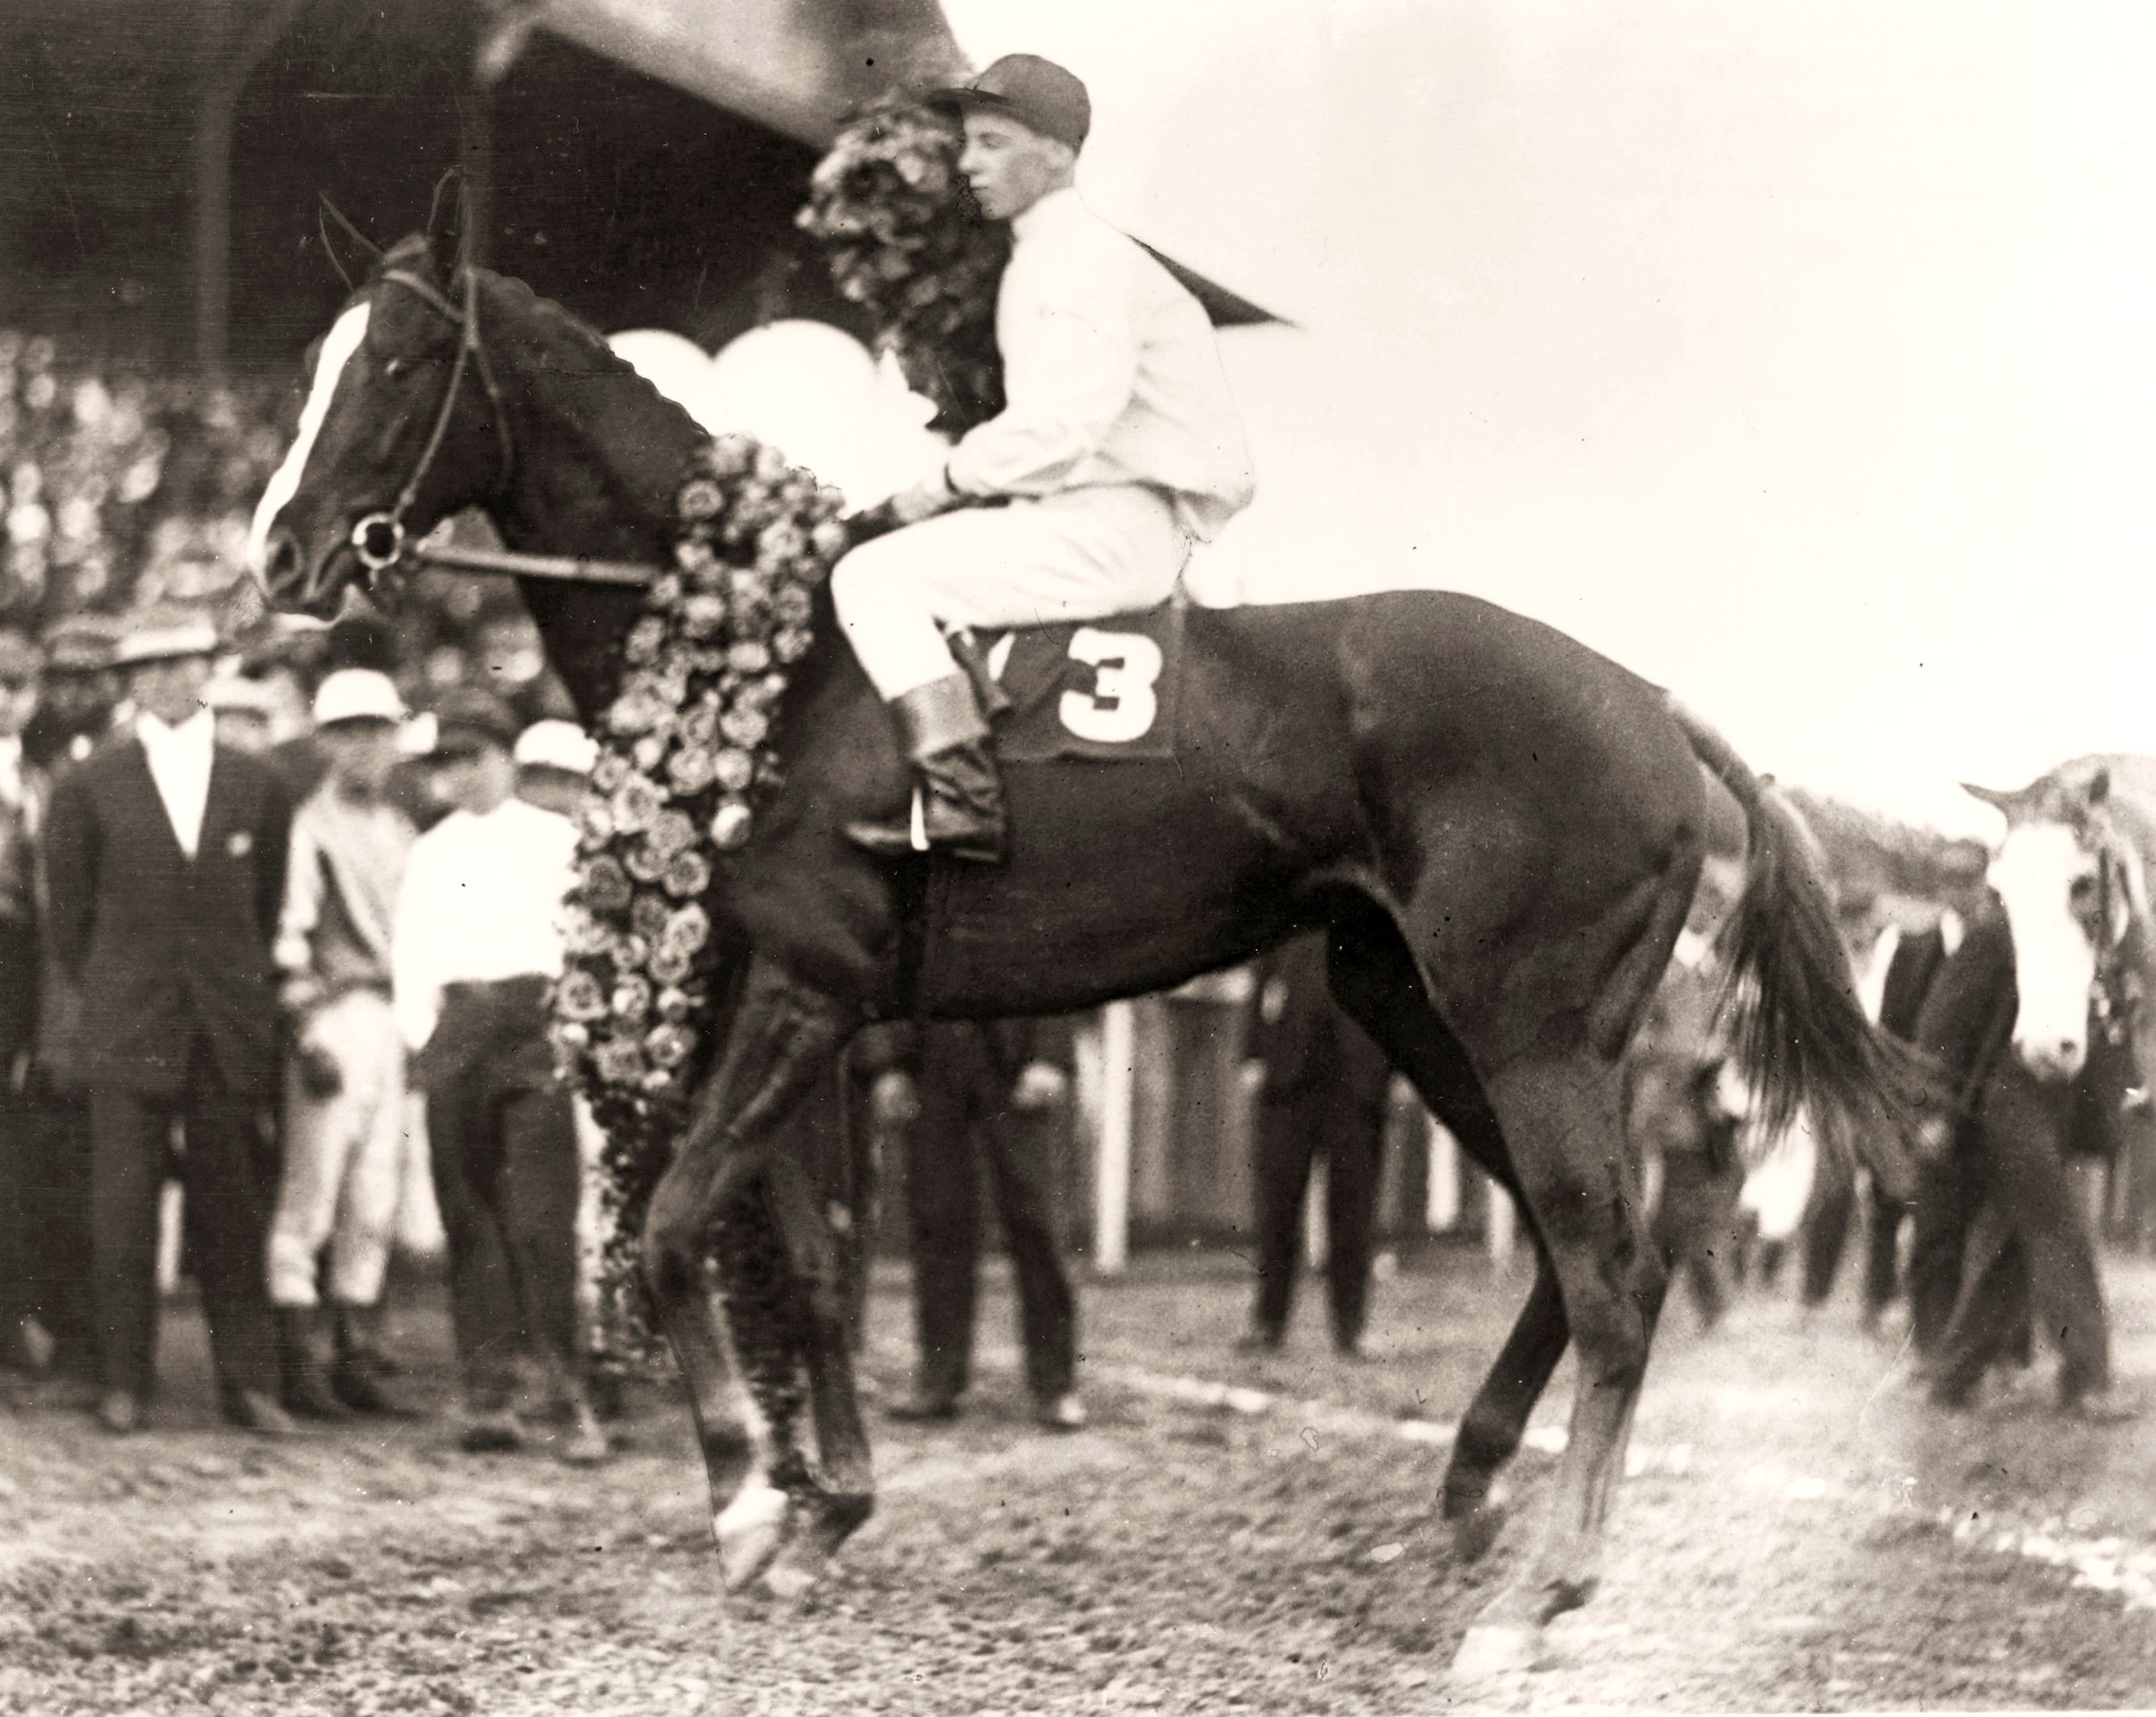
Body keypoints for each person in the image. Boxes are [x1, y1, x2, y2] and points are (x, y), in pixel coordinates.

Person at [830, 53, 1255, 863]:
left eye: (992, 143)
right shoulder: (1057, 253)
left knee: (871, 577)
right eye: (968, 144)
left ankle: (962, 806)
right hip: (1102, 519)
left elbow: (1059, 428)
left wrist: (929, 490)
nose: (969, 164)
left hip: (1109, 527)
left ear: (1057, 153)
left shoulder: (1075, 258)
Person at [42, 611, 297, 1437]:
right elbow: (71, 922)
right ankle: (126, 1383)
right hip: (129, 1025)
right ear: (128, 681)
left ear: (207, 669)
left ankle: (248, 1383)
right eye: (147, 667)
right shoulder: (91, 784)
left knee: (233, 1207)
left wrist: (229, 991)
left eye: (181, 663)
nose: (165, 680)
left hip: (225, 1025)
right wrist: (124, 992)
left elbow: (263, 903)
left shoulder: (257, 782)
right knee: (124, 1212)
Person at [393, 687, 606, 1463]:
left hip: (533, 1027)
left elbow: (583, 944)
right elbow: (411, 954)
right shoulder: (432, 849)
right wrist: (426, 1036)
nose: (464, 775)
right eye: (448, 762)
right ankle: (490, 1392)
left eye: (475, 757)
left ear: (507, 757)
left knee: (541, 1219)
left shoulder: (557, 840)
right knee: (471, 1218)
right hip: (458, 1031)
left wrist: (571, 1032)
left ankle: (563, 1393)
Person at [266, 670, 419, 1418]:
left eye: (378, 732)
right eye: (351, 732)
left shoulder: (399, 829)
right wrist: (303, 1034)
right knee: (312, 1189)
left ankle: (356, 1354)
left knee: (375, 1193)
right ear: (327, 741)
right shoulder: (309, 827)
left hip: (394, 1017)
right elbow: (288, 940)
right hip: (335, 1017)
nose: (367, 747)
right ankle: (300, 1362)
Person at [865, 1017, 1086, 1429]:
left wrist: (1050, 1055)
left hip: (1014, 1058)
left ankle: (1055, 1385)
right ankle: (938, 1380)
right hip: (930, 1057)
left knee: (1036, 1222)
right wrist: (886, 1064)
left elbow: (1058, 957)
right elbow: (889, 965)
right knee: (938, 1218)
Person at [1239, 936, 1393, 1357]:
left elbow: (1398, 995)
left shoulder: (1372, 919)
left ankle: (1351, 1329)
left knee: (1353, 1212)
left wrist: (1396, 1068)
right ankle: (1268, 1323)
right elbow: (1262, 982)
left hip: (1357, 1084)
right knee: (1278, 1208)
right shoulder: (1291, 911)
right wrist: (1252, 1053)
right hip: (1289, 1082)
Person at [0, 627, 51, 1374]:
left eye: (16, 687)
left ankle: (10, 1324)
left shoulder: (42, 783)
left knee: (13, 1155)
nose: (5, 701)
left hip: (18, 983)